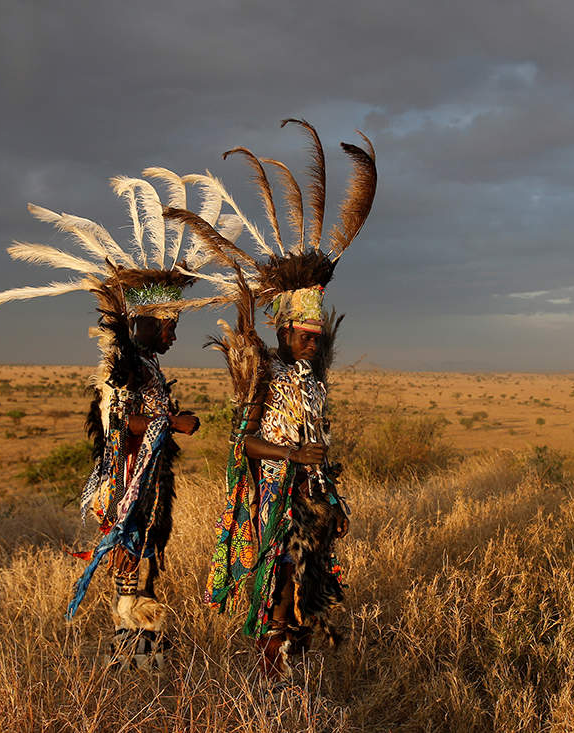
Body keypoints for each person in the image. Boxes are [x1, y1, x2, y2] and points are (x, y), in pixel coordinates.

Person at [0, 169, 227, 669]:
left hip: (147, 477)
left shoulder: (146, 365)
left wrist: (169, 420)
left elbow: (144, 416)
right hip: (124, 481)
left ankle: (139, 642)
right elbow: (122, 425)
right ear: (140, 322)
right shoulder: (122, 365)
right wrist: (172, 424)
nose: (173, 337)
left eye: (174, 327)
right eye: (167, 327)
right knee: (128, 554)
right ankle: (130, 641)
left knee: (146, 552)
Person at [164, 118, 377, 680]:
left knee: (310, 584)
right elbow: (246, 442)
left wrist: (331, 498)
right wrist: (292, 459)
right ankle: (270, 668)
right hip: (275, 499)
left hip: (309, 496)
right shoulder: (266, 376)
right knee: (279, 583)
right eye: (302, 336)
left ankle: (290, 664)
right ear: (283, 333)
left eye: (316, 336)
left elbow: (318, 442)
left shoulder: (313, 381)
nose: (311, 342)